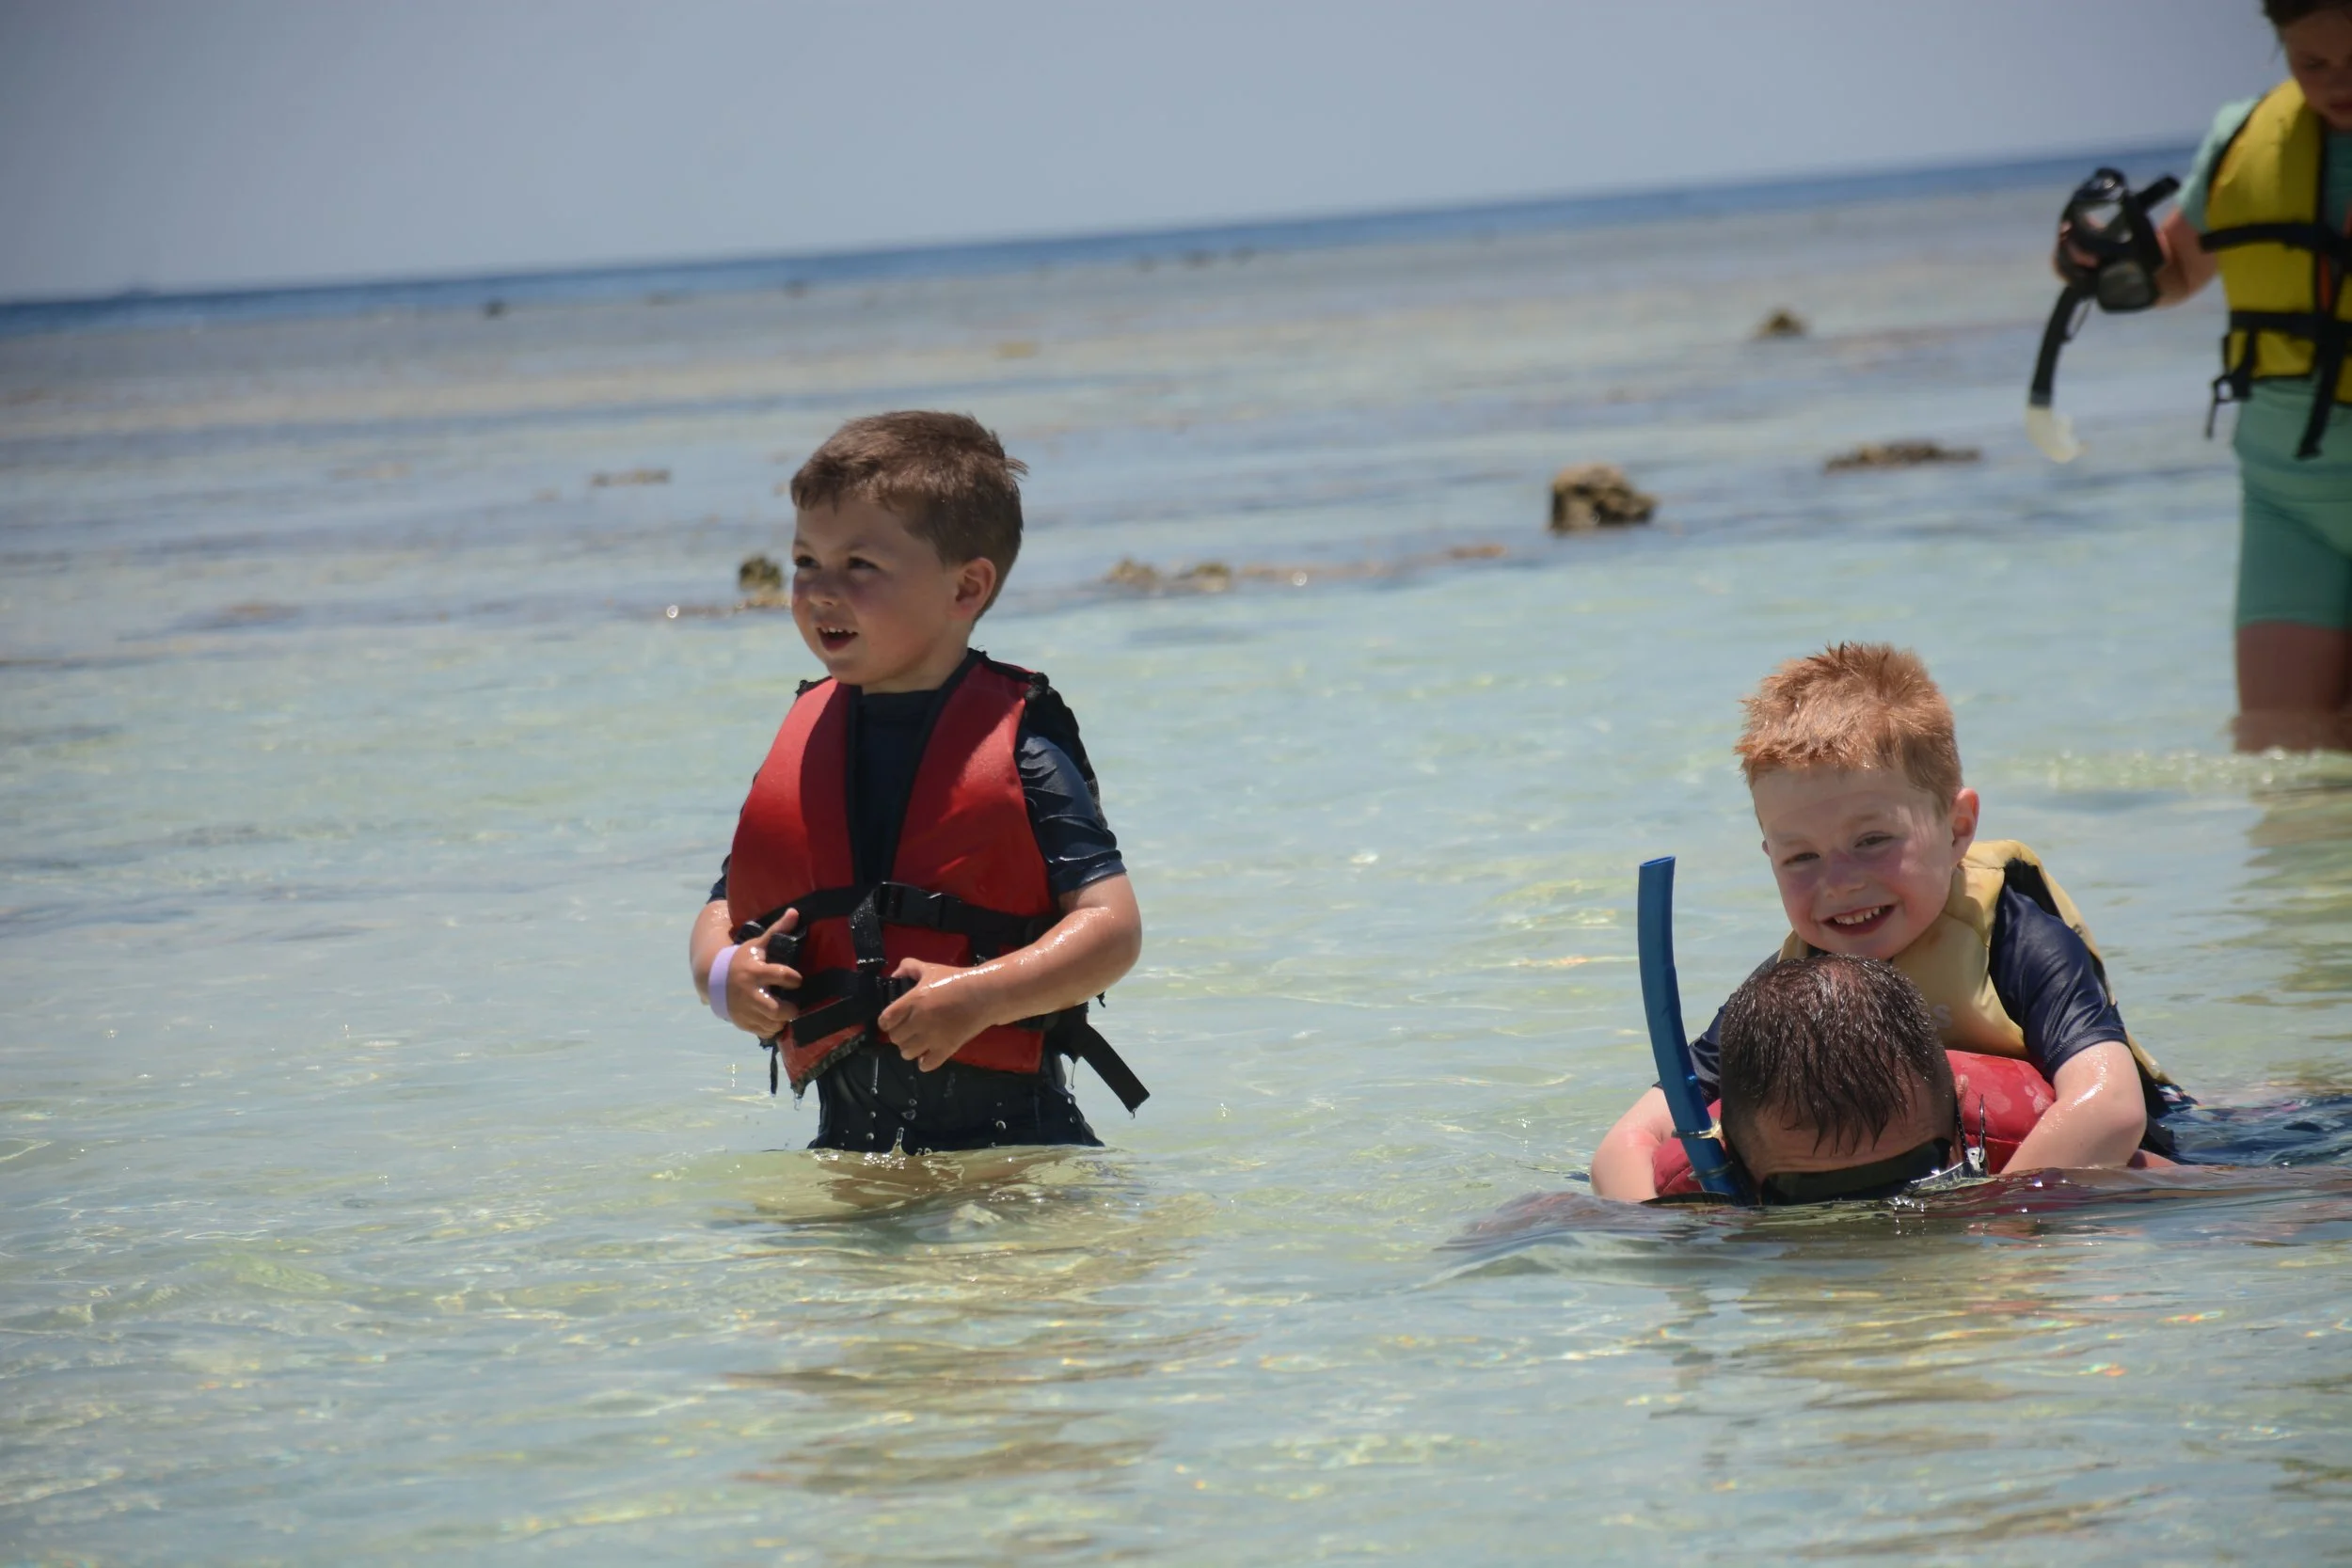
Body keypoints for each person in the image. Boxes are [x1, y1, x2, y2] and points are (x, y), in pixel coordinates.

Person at [686, 412, 1146, 1154]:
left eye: (860, 565)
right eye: (805, 560)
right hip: (848, 1153)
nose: (820, 590)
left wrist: (979, 995)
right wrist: (723, 976)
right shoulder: (808, 737)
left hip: (1017, 1149)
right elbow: (724, 906)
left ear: (966, 587)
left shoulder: (1020, 744)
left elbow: (1113, 929)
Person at [1590, 643, 2183, 1202]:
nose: (1839, 883)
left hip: (2158, 1152)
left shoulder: (2015, 943)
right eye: (1801, 857)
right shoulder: (1792, 986)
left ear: (1956, 829)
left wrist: (1992, 1225)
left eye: (1872, 841)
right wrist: (1661, 1235)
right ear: (1770, 858)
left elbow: (2112, 1109)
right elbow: (1625, 1143)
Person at [2059, 1, 2352, 750]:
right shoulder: (2243, 137)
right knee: (2280, 759)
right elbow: (2178, 271)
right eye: (2312, 64)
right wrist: (2098, 261)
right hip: (2287, 500)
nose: (2337, 83)